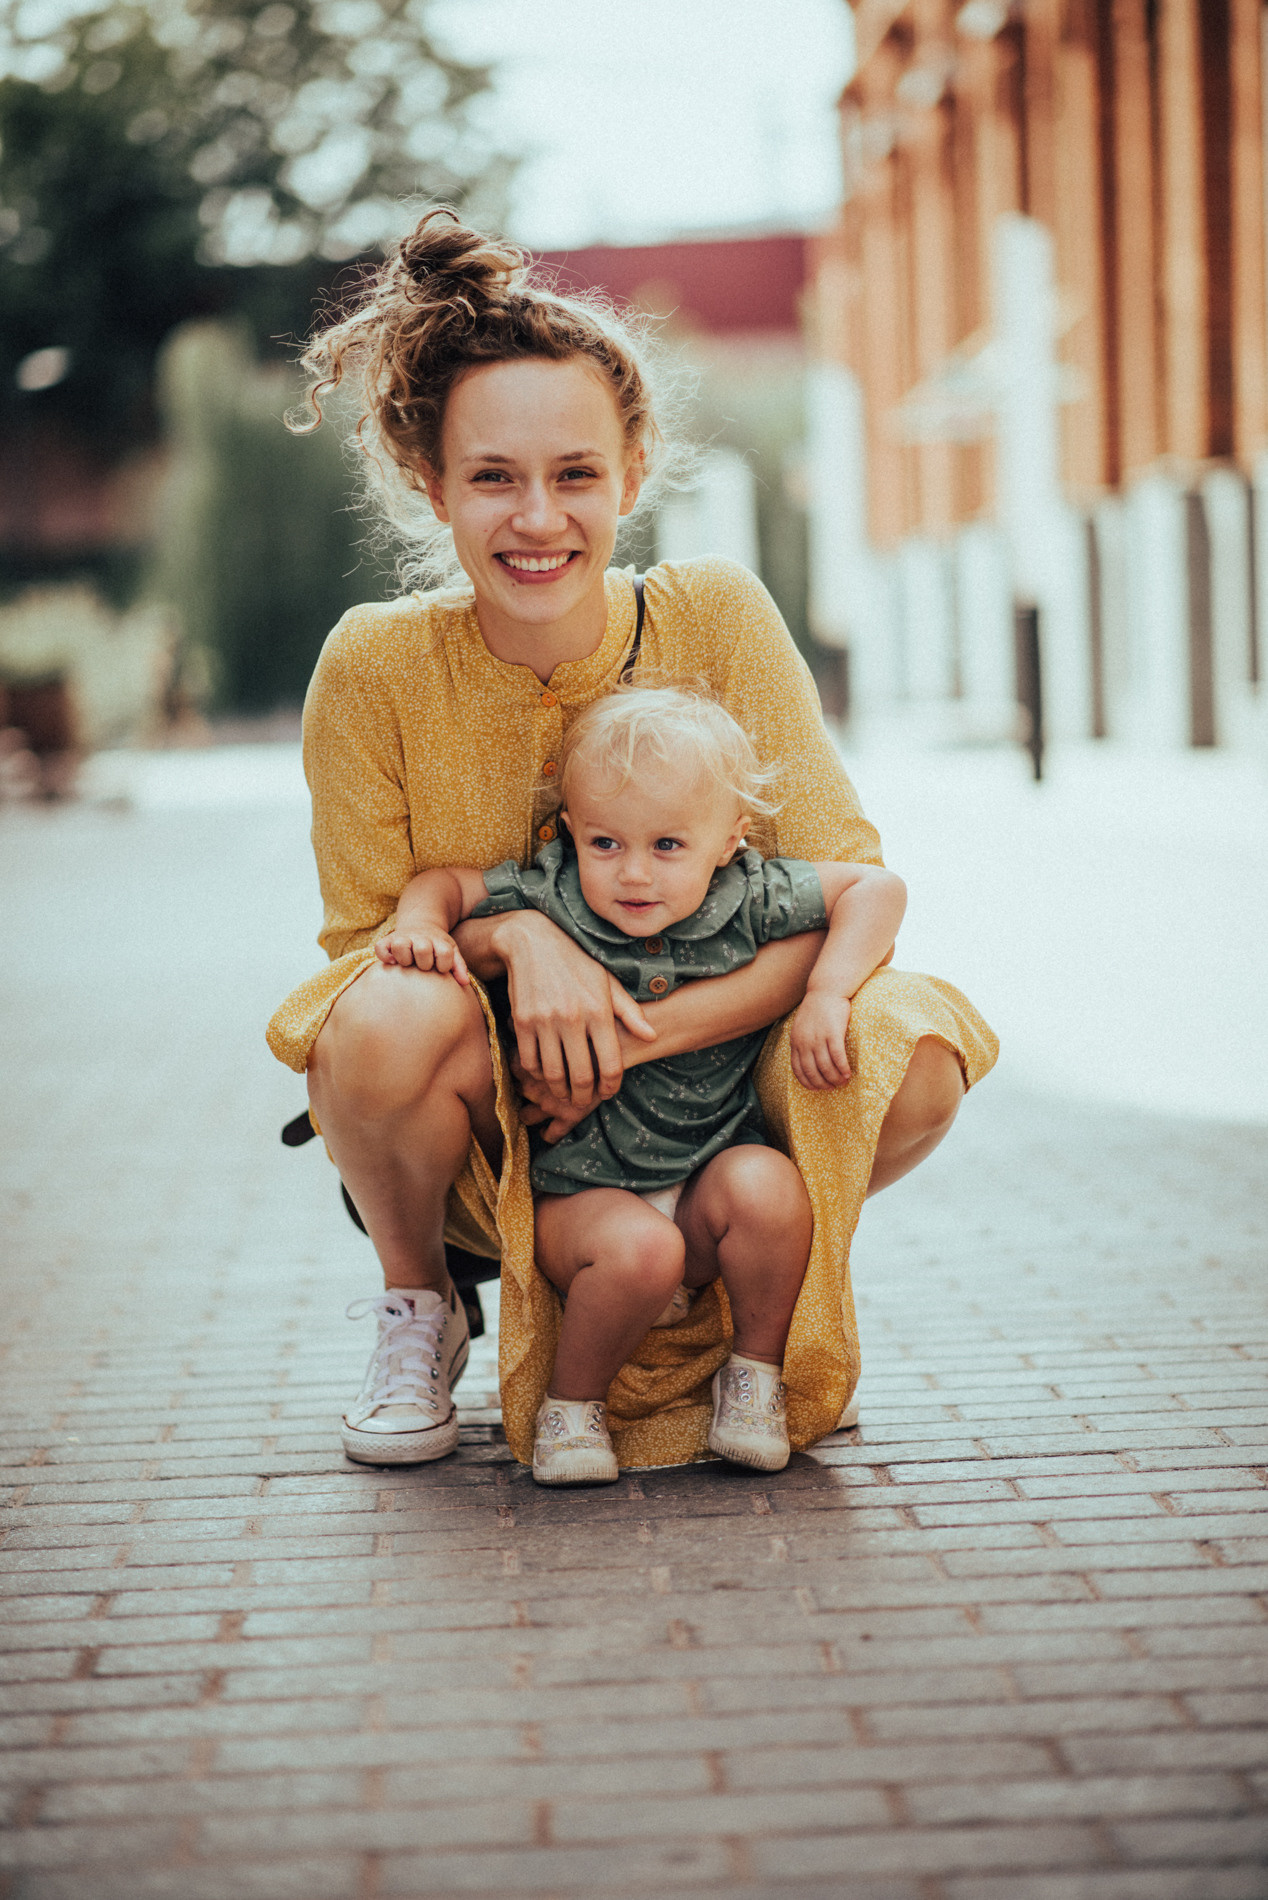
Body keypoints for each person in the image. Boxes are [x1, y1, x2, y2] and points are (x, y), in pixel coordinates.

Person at [265, 204, 999, 1475]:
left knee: (907, 1045)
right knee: (379, 1018)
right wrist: (524, 940)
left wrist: (637, 1031)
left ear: (632, 472)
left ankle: (717, 1272)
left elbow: (838, 886)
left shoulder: (714, 615)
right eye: (491, 477)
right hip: (482, 1112)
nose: (535, 518)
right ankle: (420, 1305)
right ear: (431, 485)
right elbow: (376, 941)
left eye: (574, 475)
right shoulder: (375, 665)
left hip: (704, 1087)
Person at [375, 685, 908, 1483]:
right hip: (580, 1200)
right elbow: (446, 887)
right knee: (639, 1249)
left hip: (706, 1185)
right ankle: (571, 1409)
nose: (633, 874)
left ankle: (755, 1379)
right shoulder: (553, 891)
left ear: (728, 843)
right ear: (568, 836)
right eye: (605, 843)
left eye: (667, 846)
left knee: (770, 1187)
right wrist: (418, 926)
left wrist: (828, 992)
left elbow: (876, 888)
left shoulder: (749, 896)